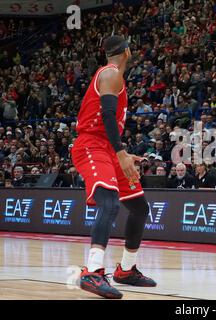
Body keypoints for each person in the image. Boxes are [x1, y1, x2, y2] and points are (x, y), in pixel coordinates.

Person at [71, 36, 156, 299]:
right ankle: (92, 272)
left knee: (140, 207)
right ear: (127, 52)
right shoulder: (110, 74)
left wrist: (121, 152)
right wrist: (121, 153)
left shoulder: (113, 75)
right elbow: (107, 115)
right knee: (109, 204)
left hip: (108, 147)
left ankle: (126, 270)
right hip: (92, 146)